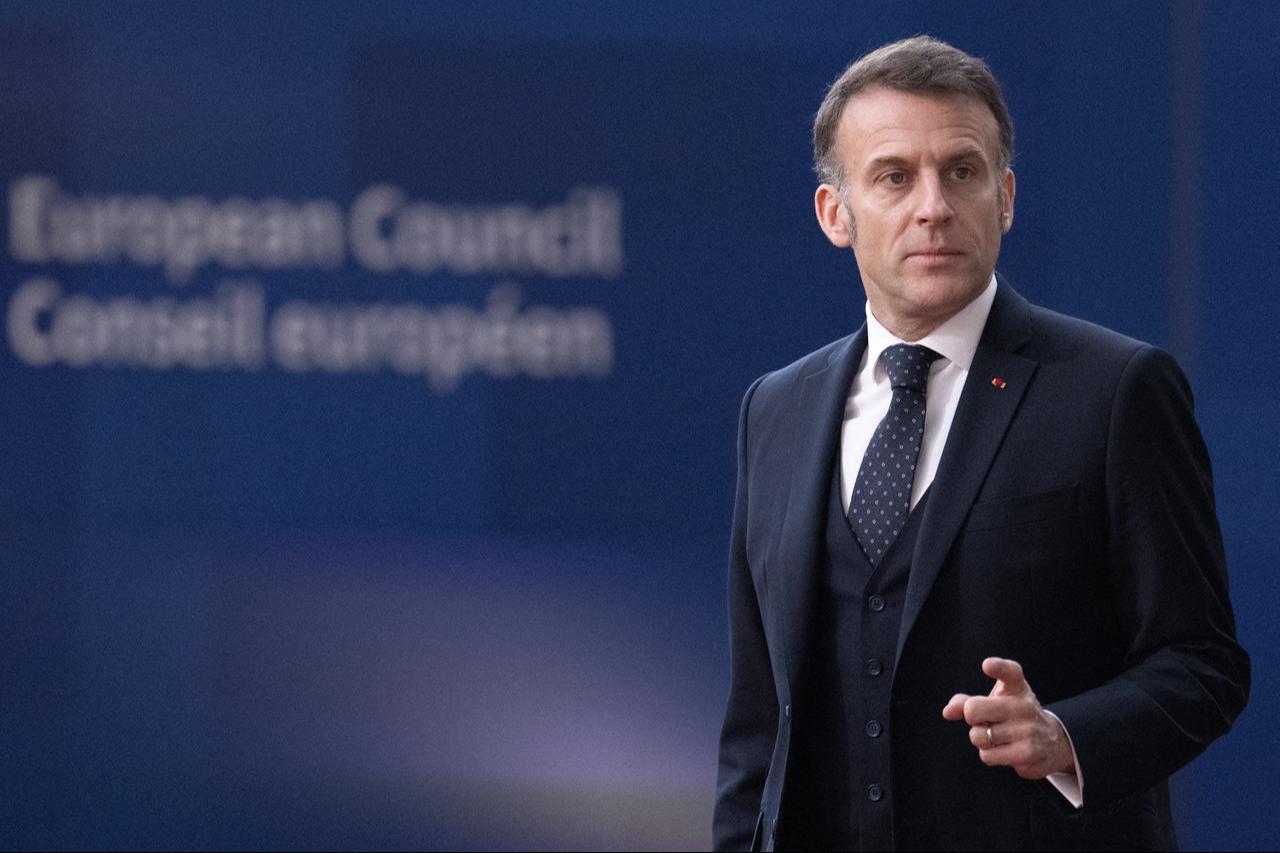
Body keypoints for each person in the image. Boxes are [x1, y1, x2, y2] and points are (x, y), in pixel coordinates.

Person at [713, 36, 1249, 852]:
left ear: (1003, 198)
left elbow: (1205, 664)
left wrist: (1066, 734)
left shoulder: (1116, 390)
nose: (933, 205)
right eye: (894, 177)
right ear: (836, 214)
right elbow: (758, 724)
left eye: (960, 172)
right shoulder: (776, 410)